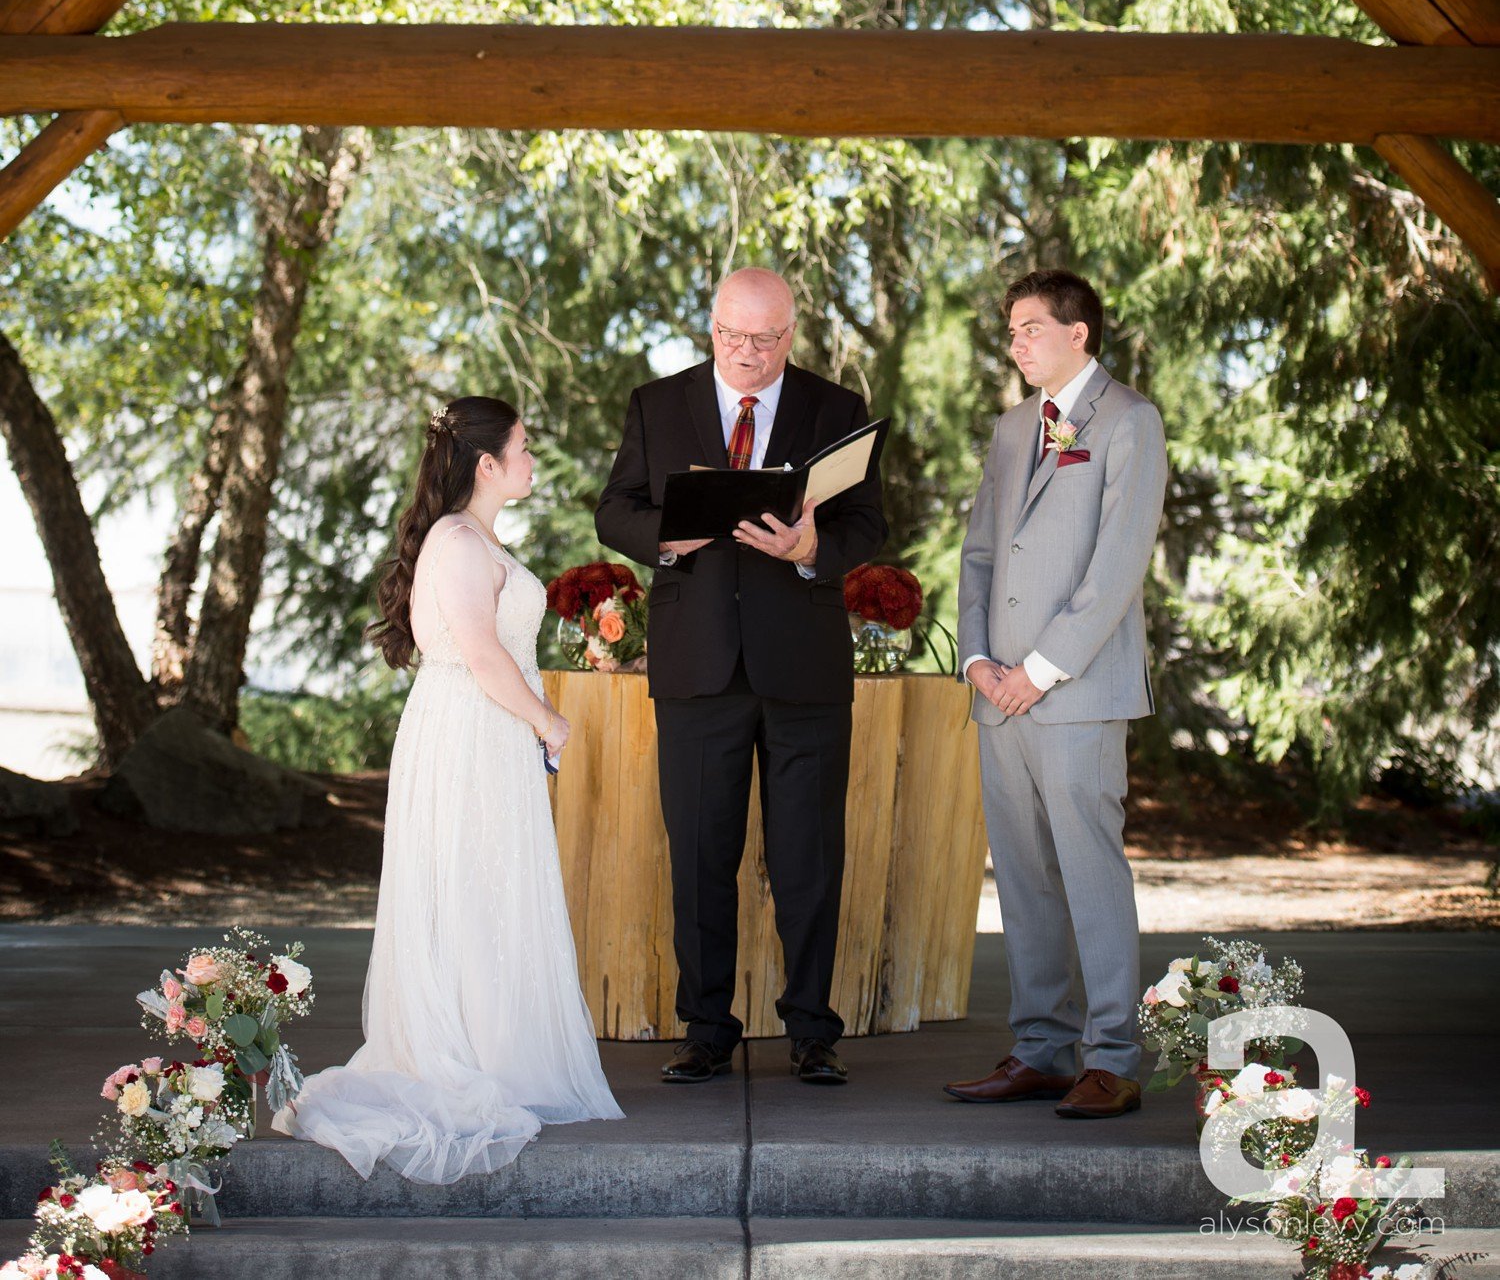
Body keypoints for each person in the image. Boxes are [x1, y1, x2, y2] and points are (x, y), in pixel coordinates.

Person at [276, 396, 622, 1183]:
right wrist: (549, 722)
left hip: (483, 731)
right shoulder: (459, 540)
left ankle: (498, 1048)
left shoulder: (474, 537)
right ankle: (468, 1056)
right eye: (524, 446)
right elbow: (481, 653)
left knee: (489, 890)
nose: (533, 458)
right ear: (487, 464)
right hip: (471, 728)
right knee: (470, 886)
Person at [596, 267, 887, 1088]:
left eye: (765, 339)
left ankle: (812, 1031)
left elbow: (867, 520)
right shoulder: (658, 404)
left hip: (803, 667)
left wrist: (810, 552)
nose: (749, 353)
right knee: (699, 855)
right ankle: (707, 1028)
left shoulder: (838, 410)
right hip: (697, 667)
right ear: (710, 327)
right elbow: (612, 506)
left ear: (792, 334)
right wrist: (666, 538)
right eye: (733, 336)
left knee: (808, 858)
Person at [944, 269, 1167, 1122]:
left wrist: (1037, 670)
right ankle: (1040, 1050)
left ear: (1080, 333)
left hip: (1072, 693)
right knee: (1026, 881)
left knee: (1089, 873)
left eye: (1031, 327)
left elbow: (1115, 569)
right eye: (1010, 330)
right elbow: (978, 557)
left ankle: (1111, 1057)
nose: (1016, 342)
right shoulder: (1011, 430)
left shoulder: (1130, 422)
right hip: (997, 695)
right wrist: (977, 662)